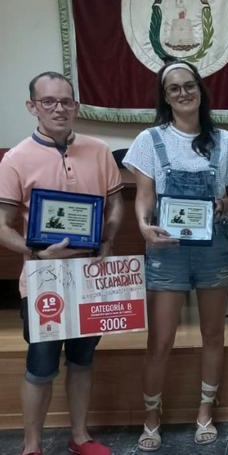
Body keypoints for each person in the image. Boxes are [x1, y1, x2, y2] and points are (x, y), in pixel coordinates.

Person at [123, 60, 228, 451]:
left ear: (199, 88)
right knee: (160, 339)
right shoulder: (149, 140)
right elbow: (143, 198)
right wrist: (143, 226)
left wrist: (224, 203)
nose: (182, 93)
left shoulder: (224, 140)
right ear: (164, 96)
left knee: (213, 334)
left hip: (214, 250)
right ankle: (151, 415)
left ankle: (206, 411)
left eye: (188, 85)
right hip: (167, 251)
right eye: (173, 88)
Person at [0, 71, 123, 455]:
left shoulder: (100, 150)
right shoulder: (15, 159)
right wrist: (35, 254)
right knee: (40, 367)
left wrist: (107, 239)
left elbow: (115, 204)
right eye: (49, 101)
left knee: (83, 361)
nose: (59, 108)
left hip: (89, 277)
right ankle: (31, 446)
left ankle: (80, 437)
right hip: (42, 280)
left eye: (66, 101)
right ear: (32, 106)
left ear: (76, 106)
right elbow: (2, 225)